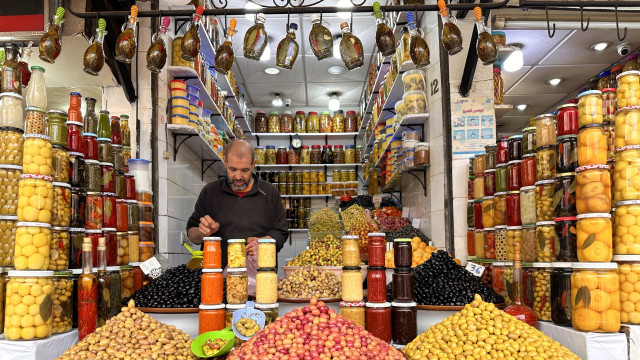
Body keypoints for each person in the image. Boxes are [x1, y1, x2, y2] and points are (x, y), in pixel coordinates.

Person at [186, 139, 288, 267]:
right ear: (225, 163)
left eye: (244, 170)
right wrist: (204, 233)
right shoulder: (210, 192)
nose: (238, 177)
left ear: (253, 165)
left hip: (260, 278)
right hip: (218, 278)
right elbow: (192, 234)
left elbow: (281, 232)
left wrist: (266, 242)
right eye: (233, 169)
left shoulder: (269, 192)